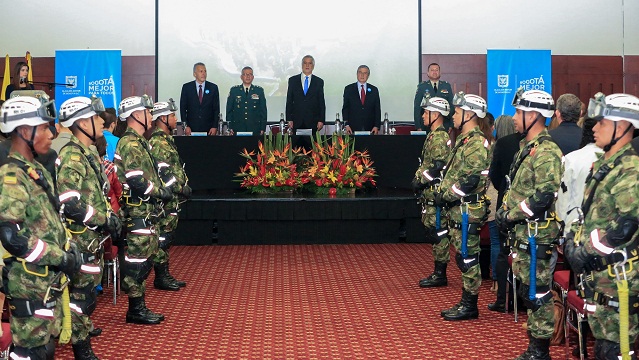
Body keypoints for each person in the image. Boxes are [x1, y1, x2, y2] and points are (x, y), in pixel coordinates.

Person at [0, 96, 82, 359]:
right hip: (28, 281)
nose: (51, 133)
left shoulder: (36, 170)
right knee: (31, 352)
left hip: (46, 279)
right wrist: (60, 257)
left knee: (45, 347)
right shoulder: (12, 175)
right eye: (45, 127)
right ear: (25, 131)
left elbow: (48, 221)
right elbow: (12, 237)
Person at [564, 93, 639, 360]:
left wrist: (586, 252)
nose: (594, 128)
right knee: (603, 344)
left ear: (624, 127)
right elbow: (589, 214)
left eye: (602, 123)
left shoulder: (630, 169)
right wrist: (573, 242)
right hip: (600, 276)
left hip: (617, 278)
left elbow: (626, 226)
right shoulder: (606, 164)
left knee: (614, 349)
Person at [494, 88, 562, 360]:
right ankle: (535, 347)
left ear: (533, 115)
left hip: (537, 237)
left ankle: (540, 351)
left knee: (539, 296)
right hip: (525, 235)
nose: (513, 117)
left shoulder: (546, 151)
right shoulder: (528, 148)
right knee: (529, 293)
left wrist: (510, 214)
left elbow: (544, 196)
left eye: (519, 112)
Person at [56, 96, 122, 359]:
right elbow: (69, 202)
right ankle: (82, 351)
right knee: (80, 299)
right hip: (80, 238)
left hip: (91, 238)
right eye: (96, 119)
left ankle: (82, 344)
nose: (101, 123)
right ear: (82, 122)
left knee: (85, 297)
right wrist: (103, 218)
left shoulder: (85, 153)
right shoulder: (72, 155)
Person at [115, 95, 175, 324]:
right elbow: (137, 180)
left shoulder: (139, 141)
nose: (151, 116)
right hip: (138, 211)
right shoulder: (130, 143)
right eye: (147, 112)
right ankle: (135, 309)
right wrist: (162, 193)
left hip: (147, 211)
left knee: (146, 258)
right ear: (136, 115)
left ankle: (138, 306)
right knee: (138, 262)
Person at [435, 92, 491, 321]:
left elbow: (471, 180)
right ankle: (466, 301)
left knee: (467, 257)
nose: (453, 116)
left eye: (457, 112)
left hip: (468, 210)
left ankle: (470, 305)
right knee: (463, 256)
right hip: (459, 209)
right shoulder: (464, 140)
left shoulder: (476, 144)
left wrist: (447, 195)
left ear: (469, 115)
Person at [149, 99, 192, 291]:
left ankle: (164, 273)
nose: (176, 119)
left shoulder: (166, 139)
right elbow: (163, 173)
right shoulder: (158, 142)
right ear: (163, 118)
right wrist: (180, 188)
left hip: (171, 199)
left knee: (167, 237)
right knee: (163, 238)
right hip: (165, 199)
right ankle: (161, 276)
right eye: (173, 115)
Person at [412, 96, 452, 288]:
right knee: (434, 232)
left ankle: (440, 273)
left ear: (436, 114)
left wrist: (421, 181)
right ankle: (438, 271)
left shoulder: (438, 137)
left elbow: (437, 166)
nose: (423, 116)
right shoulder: (433, 134)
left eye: (426, 112)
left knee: (439, 232)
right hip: (430, 194)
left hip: (435, 193)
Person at [486, 115, 519, 313]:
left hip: (504, 202)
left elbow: (495, 177)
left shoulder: (501, 144)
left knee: (499, 245)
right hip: (526, 207)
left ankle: (500, 289)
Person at [286, 55, 326, 134]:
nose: (307, 65)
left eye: (310, 63)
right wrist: (289, 119)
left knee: (311, 146)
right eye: (305, 63)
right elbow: (289, 101)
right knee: (296, 146)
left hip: (313, 121)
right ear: (302, 65)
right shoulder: (293, 80)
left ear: (313, 66)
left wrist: (321, 120)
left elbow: (321, 102)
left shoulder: (319, 81)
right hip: (296, 121)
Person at [179, 62, 220, 135]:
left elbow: (216, 109)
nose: (204, 73)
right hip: (191, 128)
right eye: (201, 71)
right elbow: (183, 108)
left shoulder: (213, 88)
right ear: (194, 74)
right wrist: (185, 126)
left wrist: (214, 126)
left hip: (209, 129)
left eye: (205, 71)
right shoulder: (187, 87)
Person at [225, 66, 267, 136]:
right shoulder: (234, 91)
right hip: (237, 128)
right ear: (241, 77)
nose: (248, 76)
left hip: (255, 128)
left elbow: (263, 111)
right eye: (245, 74)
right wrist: (230, 127)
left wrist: (262, 128)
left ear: (253, 77)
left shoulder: (259, 91)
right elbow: (229, 110)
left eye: (250, 74)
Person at [341, 65, 381, 134]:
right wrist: (346, 125)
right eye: (360, 72)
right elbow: (345, 108)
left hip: (370, 128)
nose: (362, 75)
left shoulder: (374, 90)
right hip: (352, 128)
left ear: (368, 75)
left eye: (365, 73)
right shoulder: (348, 89)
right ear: (357, 74)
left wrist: (376, 126)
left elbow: (377, 109)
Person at [413, 63, 454, 131]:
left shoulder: (446, 86)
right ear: (428, 73)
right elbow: (417, 107)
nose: (434, 72)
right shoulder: (422, 87)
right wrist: (418, 126)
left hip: (444, 124)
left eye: (436, 70)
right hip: (426, 125)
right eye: (432, 70)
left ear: (440, 73)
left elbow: (451, 106)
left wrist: (451, 124)